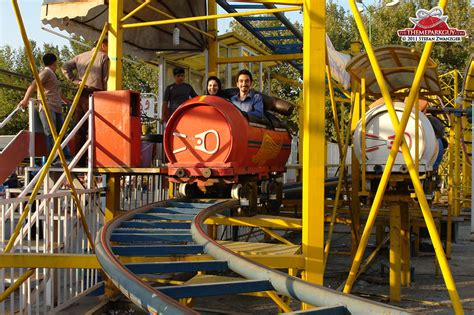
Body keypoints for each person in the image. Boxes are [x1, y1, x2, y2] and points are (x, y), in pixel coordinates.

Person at [62, 39, 109, 161]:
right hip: (96, 93)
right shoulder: (104, 57)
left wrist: (75, 80)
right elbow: (105, 79)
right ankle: (96, 158)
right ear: (103, 45)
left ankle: (79, 159)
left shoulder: (80, 56)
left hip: (81, 92)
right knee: (95, 126)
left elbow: (65, 66)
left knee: (80, 126)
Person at [18, 53, 71, 161]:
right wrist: (25, 99)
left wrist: (67, 101)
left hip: (56, 107)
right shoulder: (46, 72)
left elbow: (56, 91)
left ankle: (66, 155)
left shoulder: (52, 74)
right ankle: (54, 157)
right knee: (51, 133)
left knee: (61, 133)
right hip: (48, 106)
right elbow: (33, 84)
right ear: (54, 62)